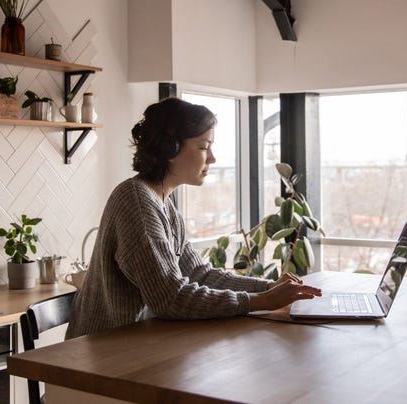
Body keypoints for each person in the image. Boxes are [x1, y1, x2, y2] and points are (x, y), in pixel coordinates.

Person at [66, 97, 321, 338]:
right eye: (203, 147)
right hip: (96, 358)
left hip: (135, 346)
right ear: (170, 149)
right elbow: (170, 298)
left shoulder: (163, 205)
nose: (212, 158)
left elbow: (199, 274)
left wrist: (269, 288)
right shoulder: (137, 203)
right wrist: (262, 301)